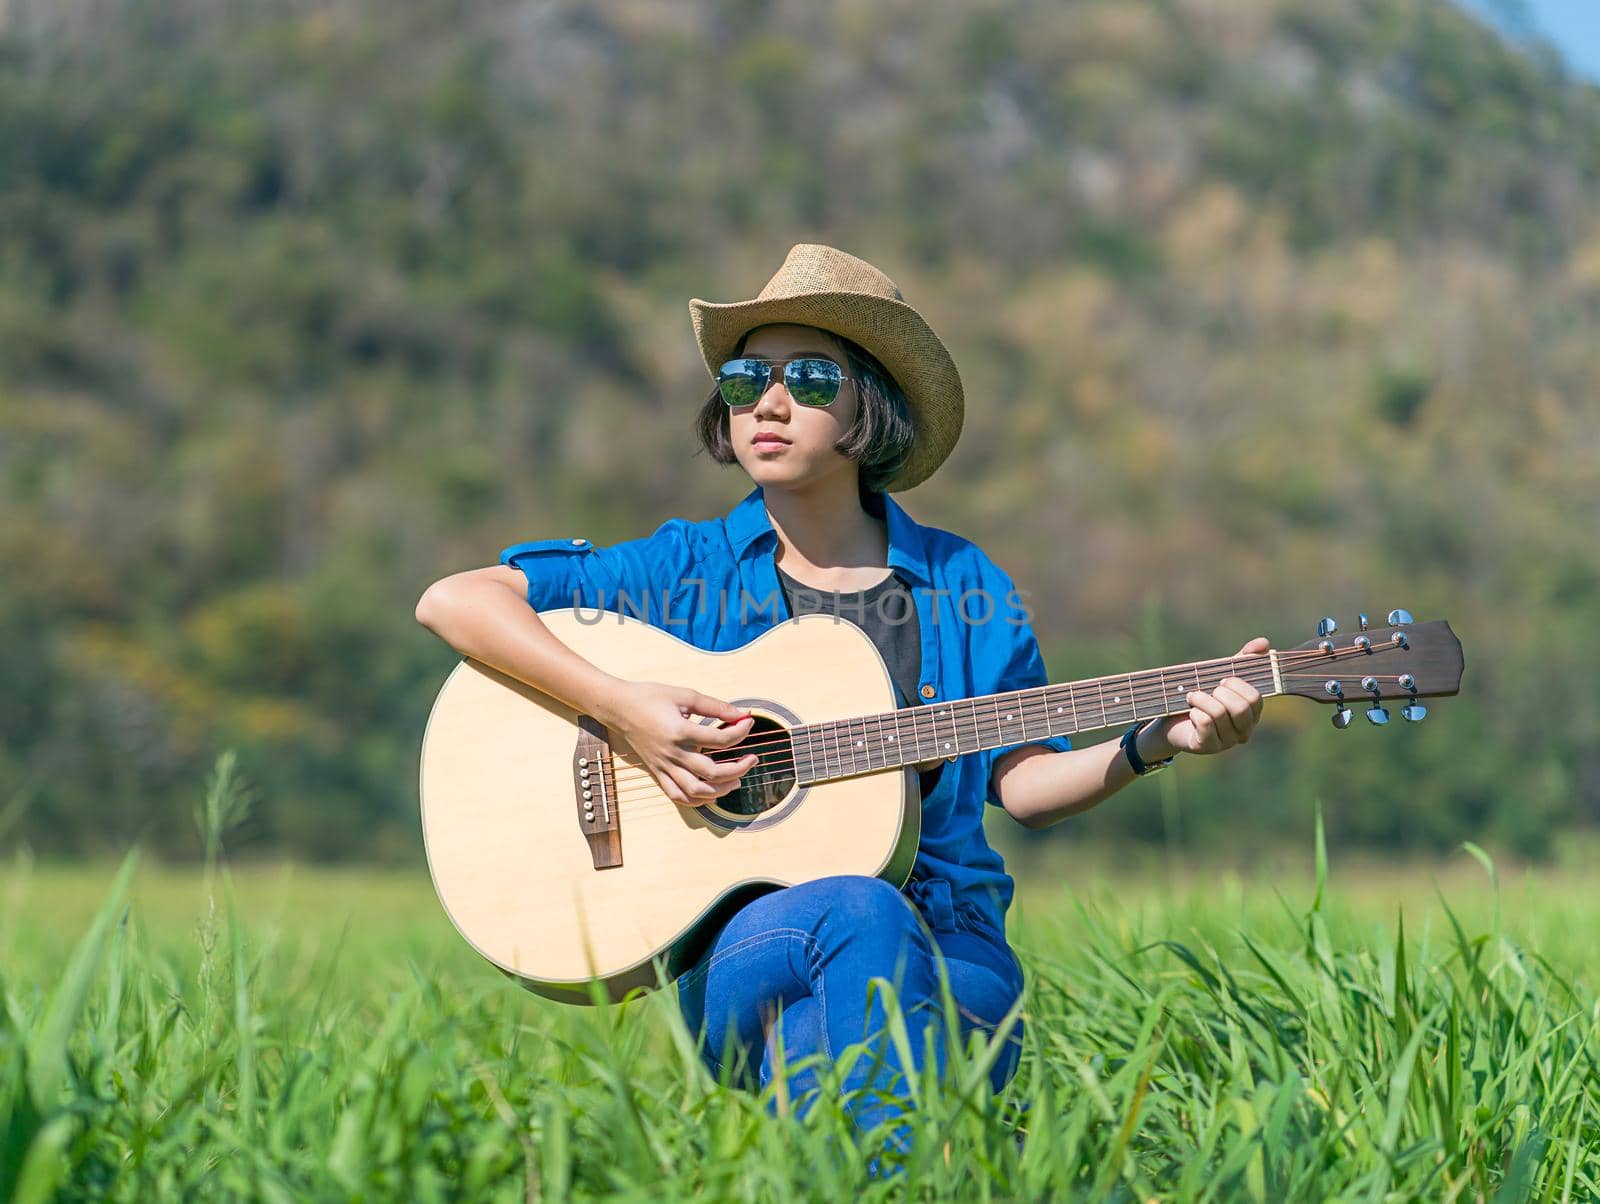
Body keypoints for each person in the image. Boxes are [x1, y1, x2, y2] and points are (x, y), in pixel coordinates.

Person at [414, 243, 1266, 1158]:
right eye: (746, 380)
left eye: (810, 377)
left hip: (954, 943)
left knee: (902, 1033)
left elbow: (1021, 785)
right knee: (861, 915)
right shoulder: (680, 570)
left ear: (872, 405)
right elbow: (456, 601)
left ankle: (823, 1167)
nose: (769, 403)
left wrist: (1155, 741)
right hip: (748, 946)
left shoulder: (962, 584)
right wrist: (625, 710)